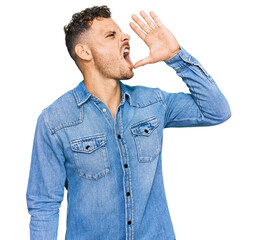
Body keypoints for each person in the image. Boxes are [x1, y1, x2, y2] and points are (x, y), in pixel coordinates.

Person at [26, 5, 231, 240]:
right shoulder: (55, 121)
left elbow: (217, 111)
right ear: (85, 52)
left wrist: (176, 57)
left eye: (121, 32)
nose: (126, 37)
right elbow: (44, 206)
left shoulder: (153, 102)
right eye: (111, 35)